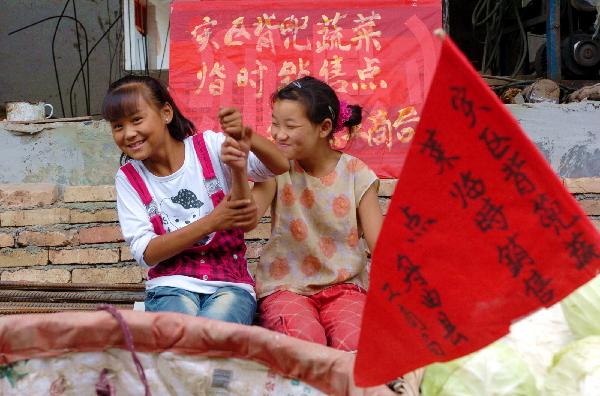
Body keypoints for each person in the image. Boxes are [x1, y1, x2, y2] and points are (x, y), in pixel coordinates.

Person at [102, 75, 288, 325]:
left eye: (136, 120)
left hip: (231, 285)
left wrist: (246, 135)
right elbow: (146, 252)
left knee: (209, 334)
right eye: (118, 126)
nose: (129, 133)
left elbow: (277, 166)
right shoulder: (128, 178)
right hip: (170, 286)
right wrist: (211, 222)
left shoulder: (210, 146)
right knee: (187, 336)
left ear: (165, 113)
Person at [222, 76, 383, 350]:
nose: (279, 134)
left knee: (353, 344)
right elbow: (246, 220)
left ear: (324, 128)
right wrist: (239, 170)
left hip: (346, 288)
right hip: (285, 287)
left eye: (290, 126)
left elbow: (381, 244)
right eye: (275, 123)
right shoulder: (275, 169)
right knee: (304, 343)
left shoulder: (357, 173)